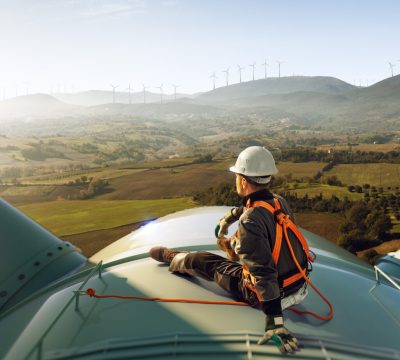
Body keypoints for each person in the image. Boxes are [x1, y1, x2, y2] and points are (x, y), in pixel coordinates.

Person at [149, 146, 310, 354]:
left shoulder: (250, 220)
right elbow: (253, 208)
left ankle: (172, 257)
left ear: (243, 181)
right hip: (299, 286)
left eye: (237, 176)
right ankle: (228, 249)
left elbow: (263, 272)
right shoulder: (279, 202)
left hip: (272, 296)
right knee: (240, 249)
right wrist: (229, 218)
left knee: (205, 261)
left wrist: (275, 322)